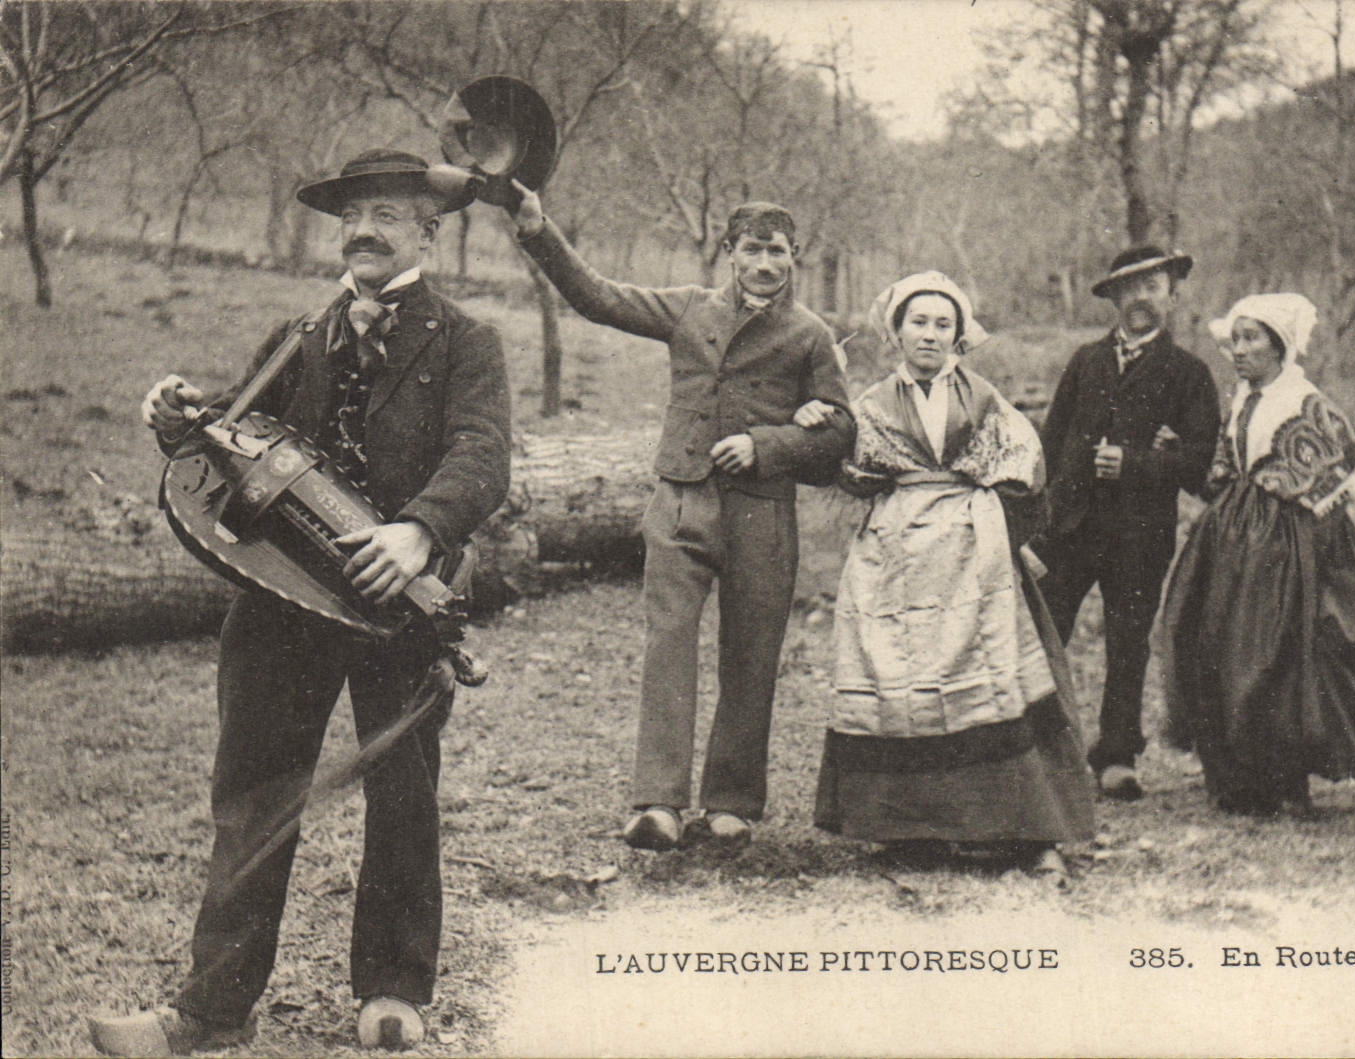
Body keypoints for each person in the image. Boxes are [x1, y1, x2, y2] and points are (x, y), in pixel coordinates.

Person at [92, 150, 511, 1055]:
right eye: (353, 215)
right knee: (253, 793)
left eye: (387, 215)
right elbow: (233, 434)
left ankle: (395, 989)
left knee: (403, 790)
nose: (363, 230)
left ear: (428, 232)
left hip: (401, 605)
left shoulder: (467, 340)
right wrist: (178, 421)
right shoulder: (298, 333)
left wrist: (419, 532)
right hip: (280, 607)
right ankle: (211, 1011)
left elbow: (482, 455)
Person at [508, 191, 853, 851]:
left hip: (763, 513)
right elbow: (599, 297)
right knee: (667, 645)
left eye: (776, 251)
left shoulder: (810, 334)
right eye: (751, 249)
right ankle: (657, 803)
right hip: (681, 499)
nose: (763, 263)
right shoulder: (691, 309)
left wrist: (770, 445)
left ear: (794, 258)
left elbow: (841, 431)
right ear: (730, 253)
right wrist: (539, 232)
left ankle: (730, 805)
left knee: (752, 656)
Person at [814, 272, 1097, 875]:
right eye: (919, 322)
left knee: (991, 678)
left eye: (944, 325)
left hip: (974, 551)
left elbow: (1025, 463)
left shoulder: (986, 400)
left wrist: (1003, 529)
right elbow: (845, 467)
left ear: (960, 335)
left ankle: (1025, 831)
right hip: (893, 554)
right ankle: (910, 830)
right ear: (896, 332)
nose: (931, 335)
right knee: (899, 677)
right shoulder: (869, 406)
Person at [1163, 293, 1355, 815]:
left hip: (1287, 545)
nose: (1239, 350)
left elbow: (1342, 469)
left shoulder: (1302, 400)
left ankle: (1282, 777)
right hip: (1232, 539)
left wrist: (1305, 543)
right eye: (1235, 339)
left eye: (1252, 339)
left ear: (1280, 345)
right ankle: (1239, 778)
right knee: (1218, 645)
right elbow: (1222, 469)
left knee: (1274, 656)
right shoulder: (1244, 398)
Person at [1033, 246, 1220, 800]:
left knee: (1128, 642)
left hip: (1140, 535)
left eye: (1153, 286)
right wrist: (1040, 517)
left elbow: (1199, 464)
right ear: (1113, 298)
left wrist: (1138, 463)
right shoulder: (1084, 361)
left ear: (1173, 295)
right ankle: (1034, 751)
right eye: (1129, 288)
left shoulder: (1190, 375)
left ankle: (1116, 756)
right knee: (1043, 633)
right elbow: (1049, 442)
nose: (1141, 298)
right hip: (1068, 529)